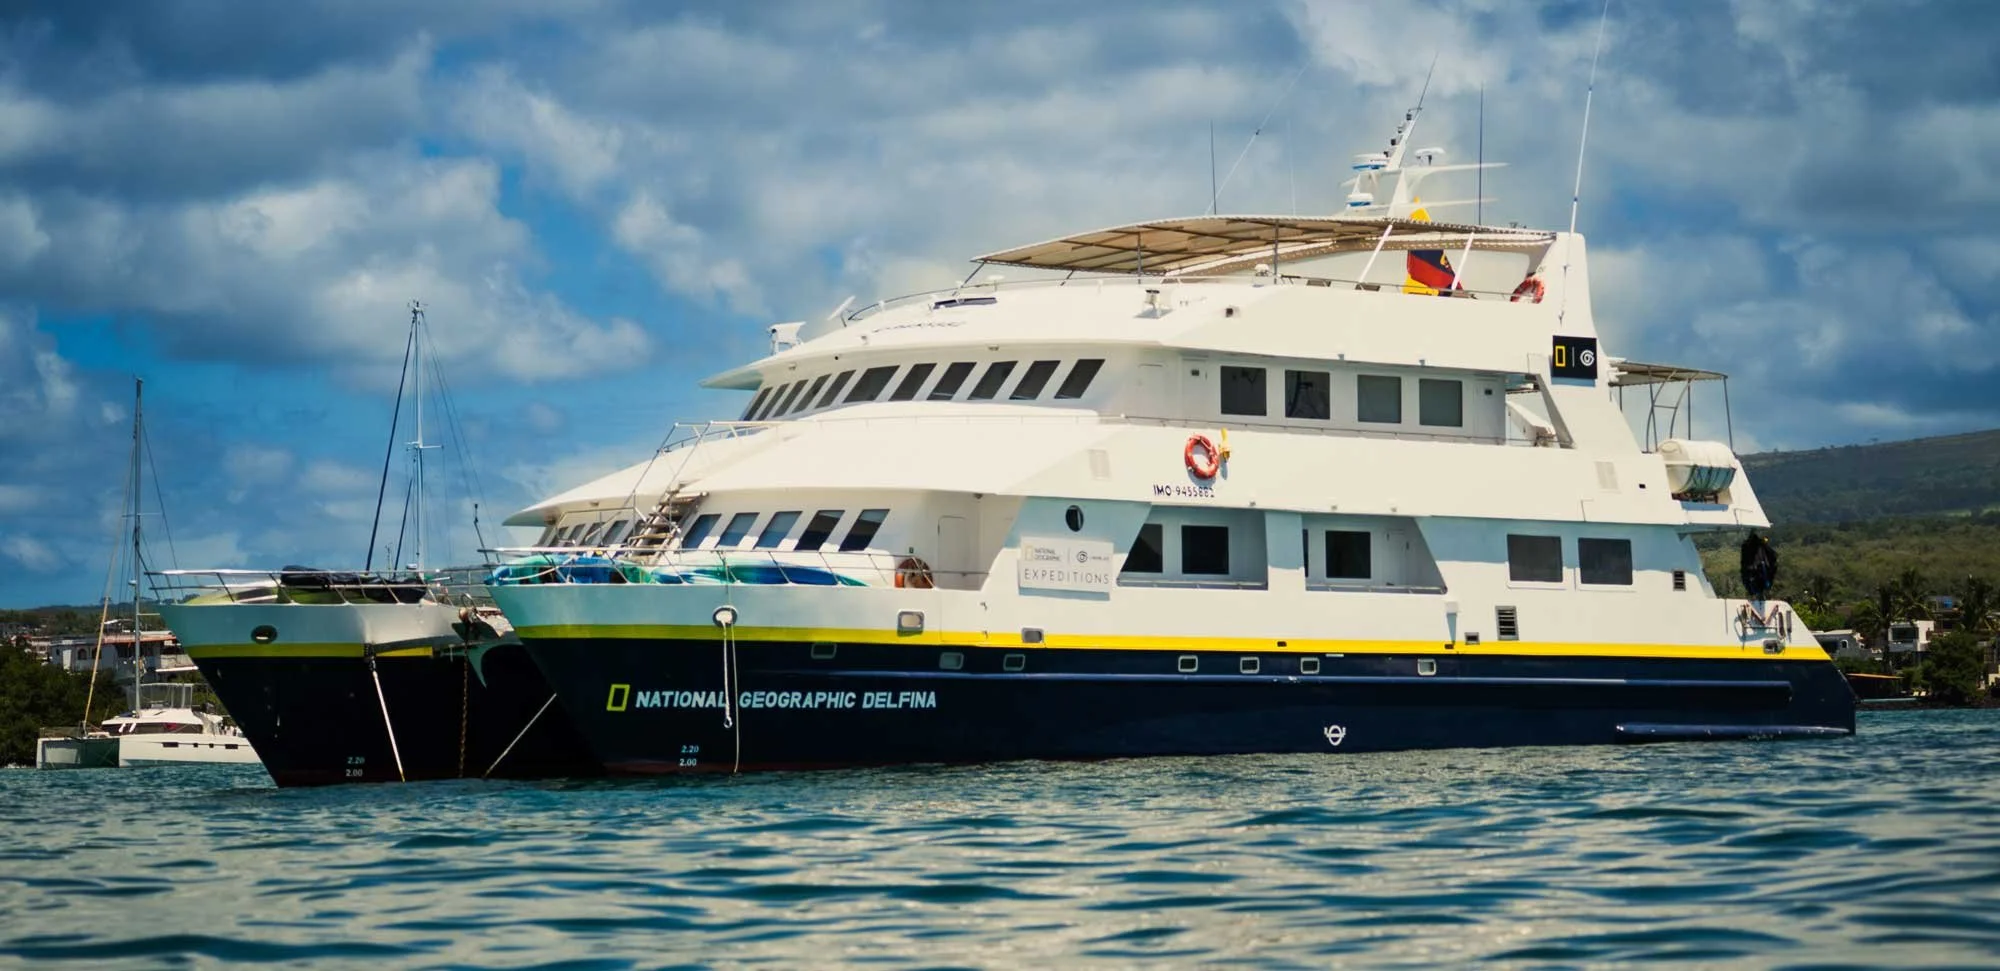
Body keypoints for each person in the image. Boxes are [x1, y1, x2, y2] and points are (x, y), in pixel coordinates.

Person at [1739, 531, 1778, 600]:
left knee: (1757, 583)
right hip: (1758, 572)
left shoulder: (1760, 546)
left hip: (1757, 572)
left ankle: (1758, 593)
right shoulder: (1761, 545)